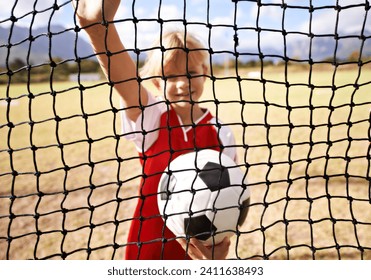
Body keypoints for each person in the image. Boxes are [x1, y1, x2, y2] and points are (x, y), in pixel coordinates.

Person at [73, 0, 236, 260]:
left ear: (205, 72)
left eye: (191, 72)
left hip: (199, 253)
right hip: (148, 248)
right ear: (157, 83)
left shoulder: (221, 131)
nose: (183, 83)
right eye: (171, 76)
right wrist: (98, 28)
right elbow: (123, 79)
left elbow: (230, 195)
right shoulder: (151, 116)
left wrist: (219, 247)